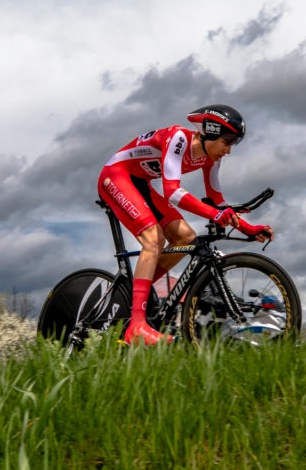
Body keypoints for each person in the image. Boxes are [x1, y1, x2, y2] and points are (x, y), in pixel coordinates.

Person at [97, 104, 273, 345]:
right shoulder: (178, 138)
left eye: (235, 143)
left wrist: (249, 229)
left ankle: (137, 295)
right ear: (210, 132)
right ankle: (136, 326)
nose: (229, 150)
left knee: (186, 238)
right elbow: (172, 191)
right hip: (116, 175)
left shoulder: (211, 159)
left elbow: (218, 203)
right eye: (228, 140)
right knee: (153, 239)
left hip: (141, 183)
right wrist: (216, 215)